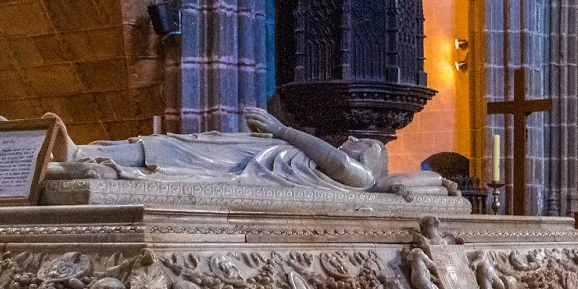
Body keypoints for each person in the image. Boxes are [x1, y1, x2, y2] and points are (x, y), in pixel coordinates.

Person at [41, 109, 453, 198]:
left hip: (249, 171)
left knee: (174, 157)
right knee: (180, 142)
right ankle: (80, 152)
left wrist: (282, 129)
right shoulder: (322, 159)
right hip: (256, 154)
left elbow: (338, 162)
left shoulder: (359, 180)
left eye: (362, 144)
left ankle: (83, 165)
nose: (351, 141)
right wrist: (277, 136)